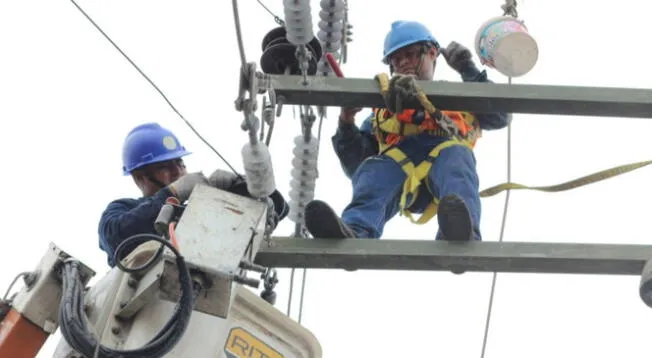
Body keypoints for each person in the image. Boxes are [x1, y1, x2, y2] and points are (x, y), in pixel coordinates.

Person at [304, 20, 510, 242]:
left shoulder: (456, 99)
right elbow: (356, 164)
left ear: (432, 53)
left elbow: (499, 116)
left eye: (410, 54)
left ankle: (460, 233)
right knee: (375, 168)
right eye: (396, 59)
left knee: (457, 157)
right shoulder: (385, 112)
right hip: (399, 176)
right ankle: (356, 230)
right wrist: (347, 121)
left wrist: (467, 68)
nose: (402, 63)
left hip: (446, 178)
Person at [98, 122, 289, 267]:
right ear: (140, 177)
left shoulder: (196, 214)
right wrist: (172, 193)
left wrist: (241, 189)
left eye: (179, 163)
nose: (177, 172)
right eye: (165, 166)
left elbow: (276, 207)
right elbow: (117, 238)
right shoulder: (122, 209)